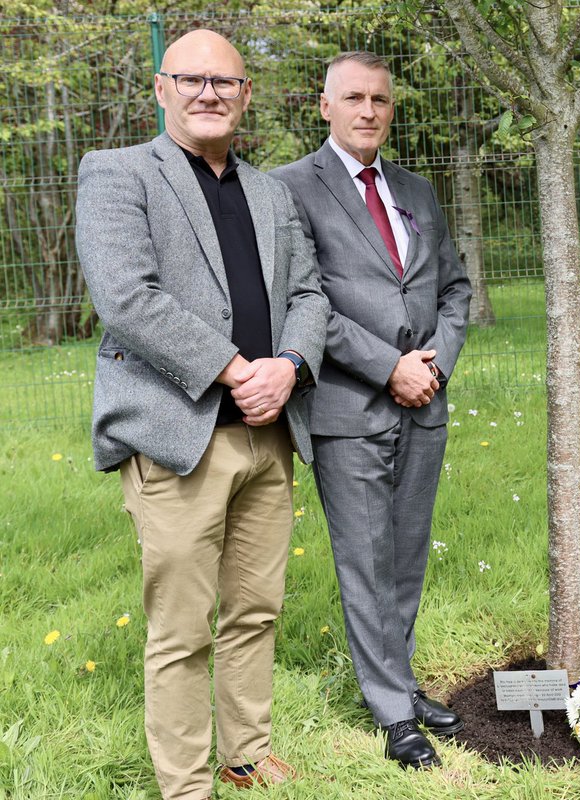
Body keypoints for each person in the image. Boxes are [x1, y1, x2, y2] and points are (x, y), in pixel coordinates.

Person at [74, 30, 328, 800]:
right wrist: (233, 368)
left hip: (269, 436)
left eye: (226, 81)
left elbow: (310, 295)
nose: (209, 92)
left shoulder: (270, 191)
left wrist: (288, 367)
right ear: (161, 88)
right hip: (179, 439)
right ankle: (186, 786)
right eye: (192, 79)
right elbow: (125, 297)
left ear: (247, 94)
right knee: (182, 632)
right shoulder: (117, 174)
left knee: (255, 612)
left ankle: (245, 757)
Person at [271, 51, 471, 769]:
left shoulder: (415, 188)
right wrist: (388, 367)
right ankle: (393, 713)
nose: (367, 111)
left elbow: (454, 288)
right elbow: (303, 303)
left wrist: (434, 364)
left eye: (380, 100)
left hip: (426, 401)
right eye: (352, 98)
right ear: (324, 106)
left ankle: (400, 681)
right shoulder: (289, 189)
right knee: (365, 560)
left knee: (407, 554)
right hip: (348, 406)